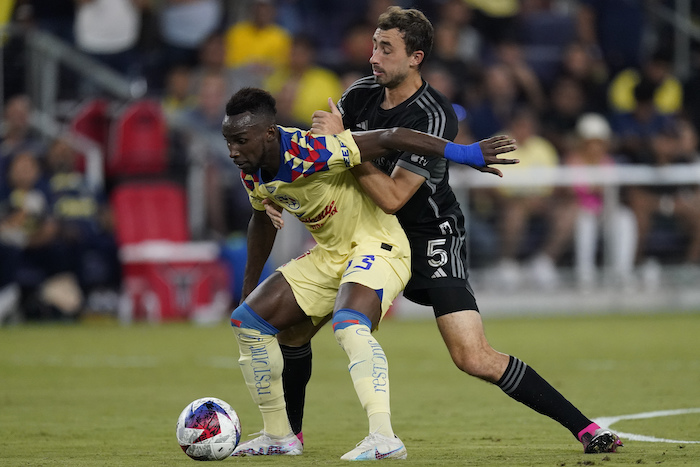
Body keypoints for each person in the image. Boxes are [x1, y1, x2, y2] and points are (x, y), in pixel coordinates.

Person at [267, 6, 622, 455]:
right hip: (370, 235)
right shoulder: (359, 95)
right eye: (375, 45)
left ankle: (586, 429)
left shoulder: (434, 116)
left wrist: (342, 143)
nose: (374, 57)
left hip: (430, 236)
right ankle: (290, 439)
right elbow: (332, 163)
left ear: (415, 57)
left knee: (472, 357)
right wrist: (284, 192)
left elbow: (394, 195)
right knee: (295, 331)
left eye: (386, 49)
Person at [224, 86, 517, 459]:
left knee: (349, 324)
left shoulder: (310, 150)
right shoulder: (251, 167)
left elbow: (391, 137)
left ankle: (384, 438)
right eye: (228, 140)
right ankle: (278, 436)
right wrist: (249, 289)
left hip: (377, 244)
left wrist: (464, 152)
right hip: (329, 256)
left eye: (240, 140)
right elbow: (261, 218)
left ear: (268, 133)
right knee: (247, 322)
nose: (232, 150)